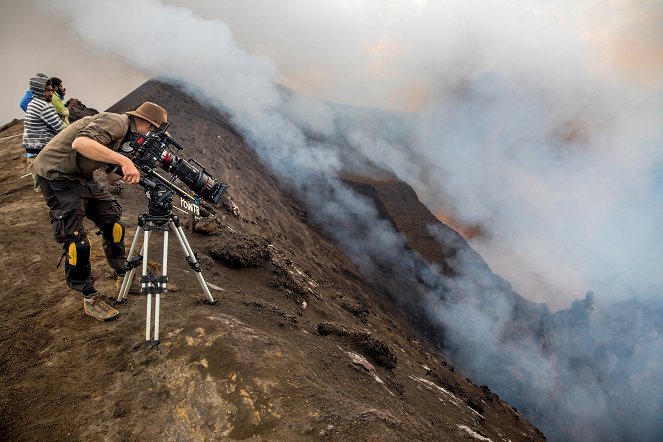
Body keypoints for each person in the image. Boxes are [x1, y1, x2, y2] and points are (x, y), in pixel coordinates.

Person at [30, 101, 168, 322]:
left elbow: (112, 175)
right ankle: (89, 297)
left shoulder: (128, 139)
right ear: (146, 122)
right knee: (77, 242)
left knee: (113, 222)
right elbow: (81, 143)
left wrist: (132, 168)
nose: (150, 133)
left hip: (81, 177)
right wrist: (123, 159)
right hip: (58, 177)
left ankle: (122, 274)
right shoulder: (117, 122)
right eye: (151, 128)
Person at [22, 74, 64, 191]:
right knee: (55, 188)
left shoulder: (31, 104)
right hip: (43, 153)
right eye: (46, 91)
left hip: (31, 152)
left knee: (43, 190)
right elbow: (60, 129)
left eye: (51, 90)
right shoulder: (44, 106)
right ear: (38, 92)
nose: (50, 93)